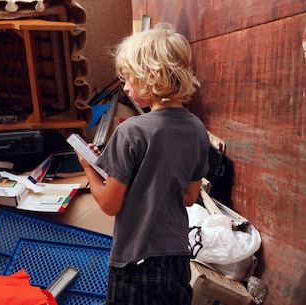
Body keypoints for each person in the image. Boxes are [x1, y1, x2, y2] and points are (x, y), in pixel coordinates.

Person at [75, 23, 210, 305]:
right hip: (176, 259)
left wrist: (89, 167)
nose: (124, 87)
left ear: (150, 77)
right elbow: (189, 197)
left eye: (128, 79)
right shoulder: (197, 128)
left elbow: (110, 204)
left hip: (135, 261)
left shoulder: (131, 131)